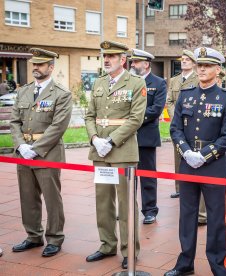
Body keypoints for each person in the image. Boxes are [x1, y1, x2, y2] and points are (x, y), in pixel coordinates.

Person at [165, 47, 226, 276]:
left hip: (213, 166)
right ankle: (185, 262)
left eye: (207, 66)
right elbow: (175, 128)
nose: (202, 69)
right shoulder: (186, 96)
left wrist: (204, 155)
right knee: (187, 216)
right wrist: (186, 152)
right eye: (200, 65)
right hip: (187, 163)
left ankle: (219, 266)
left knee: (217, 219)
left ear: (218, 69)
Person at [84, 41, 147, 269]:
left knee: (126, 204)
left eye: (112, 56)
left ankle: (130, 250)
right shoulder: (99, 83)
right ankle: (107, 245)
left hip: (122, 151)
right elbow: (89, 116)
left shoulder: (136, 83)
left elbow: (135, 118)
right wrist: (94, 139)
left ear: (123, 60)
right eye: (105, 56)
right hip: (100, 152)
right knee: (103, 202)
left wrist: (111, 140)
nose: (107, 60)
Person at [10, 48, 72, 257]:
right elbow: (14, 122)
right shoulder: (23, 91)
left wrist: (35, 149)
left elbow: (58, 126)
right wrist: (21, 146)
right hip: (24, 152)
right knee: (27, 197)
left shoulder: (61, 94)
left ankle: (55, 238)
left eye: (40, 64)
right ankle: (33, 236)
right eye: (34, 64)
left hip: (48, 154)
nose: (35, 68)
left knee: (52, 198)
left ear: (51, 67)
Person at [129, 48, 167, 225]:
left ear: (146, 64)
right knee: (126, 176)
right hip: (126, 137)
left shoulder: (158, 83)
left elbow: (156, 110)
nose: (132, 65)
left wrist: (132, 120)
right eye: (132, 62)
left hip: (145, 136)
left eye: (136, 62)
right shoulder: (127, 82)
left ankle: (150, 210)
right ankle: (127, 207)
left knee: (147, 175)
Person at [166, 50, 199, 199]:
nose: (183, 61)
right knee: (178, 157)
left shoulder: (197, 79)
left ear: (193, 63)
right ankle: (179, 188)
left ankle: (192, 186)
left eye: (187, 60)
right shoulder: (174, 80)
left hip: (192, 124)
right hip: (177, 125)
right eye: (182, 59)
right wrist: (176, 117)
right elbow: (170, 101)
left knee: (192, 155)